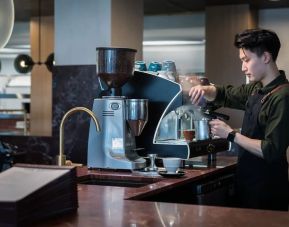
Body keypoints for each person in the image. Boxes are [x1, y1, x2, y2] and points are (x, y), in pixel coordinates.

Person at [189, 28, 289, 211]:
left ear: (266, 57)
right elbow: (226, 93)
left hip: (269, 188)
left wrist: (230, 134)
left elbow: (271, 150)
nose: (243, 67)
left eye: (246, 60)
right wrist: (204, 90)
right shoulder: (255, 89)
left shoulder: (283, 96)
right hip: (247, 181)